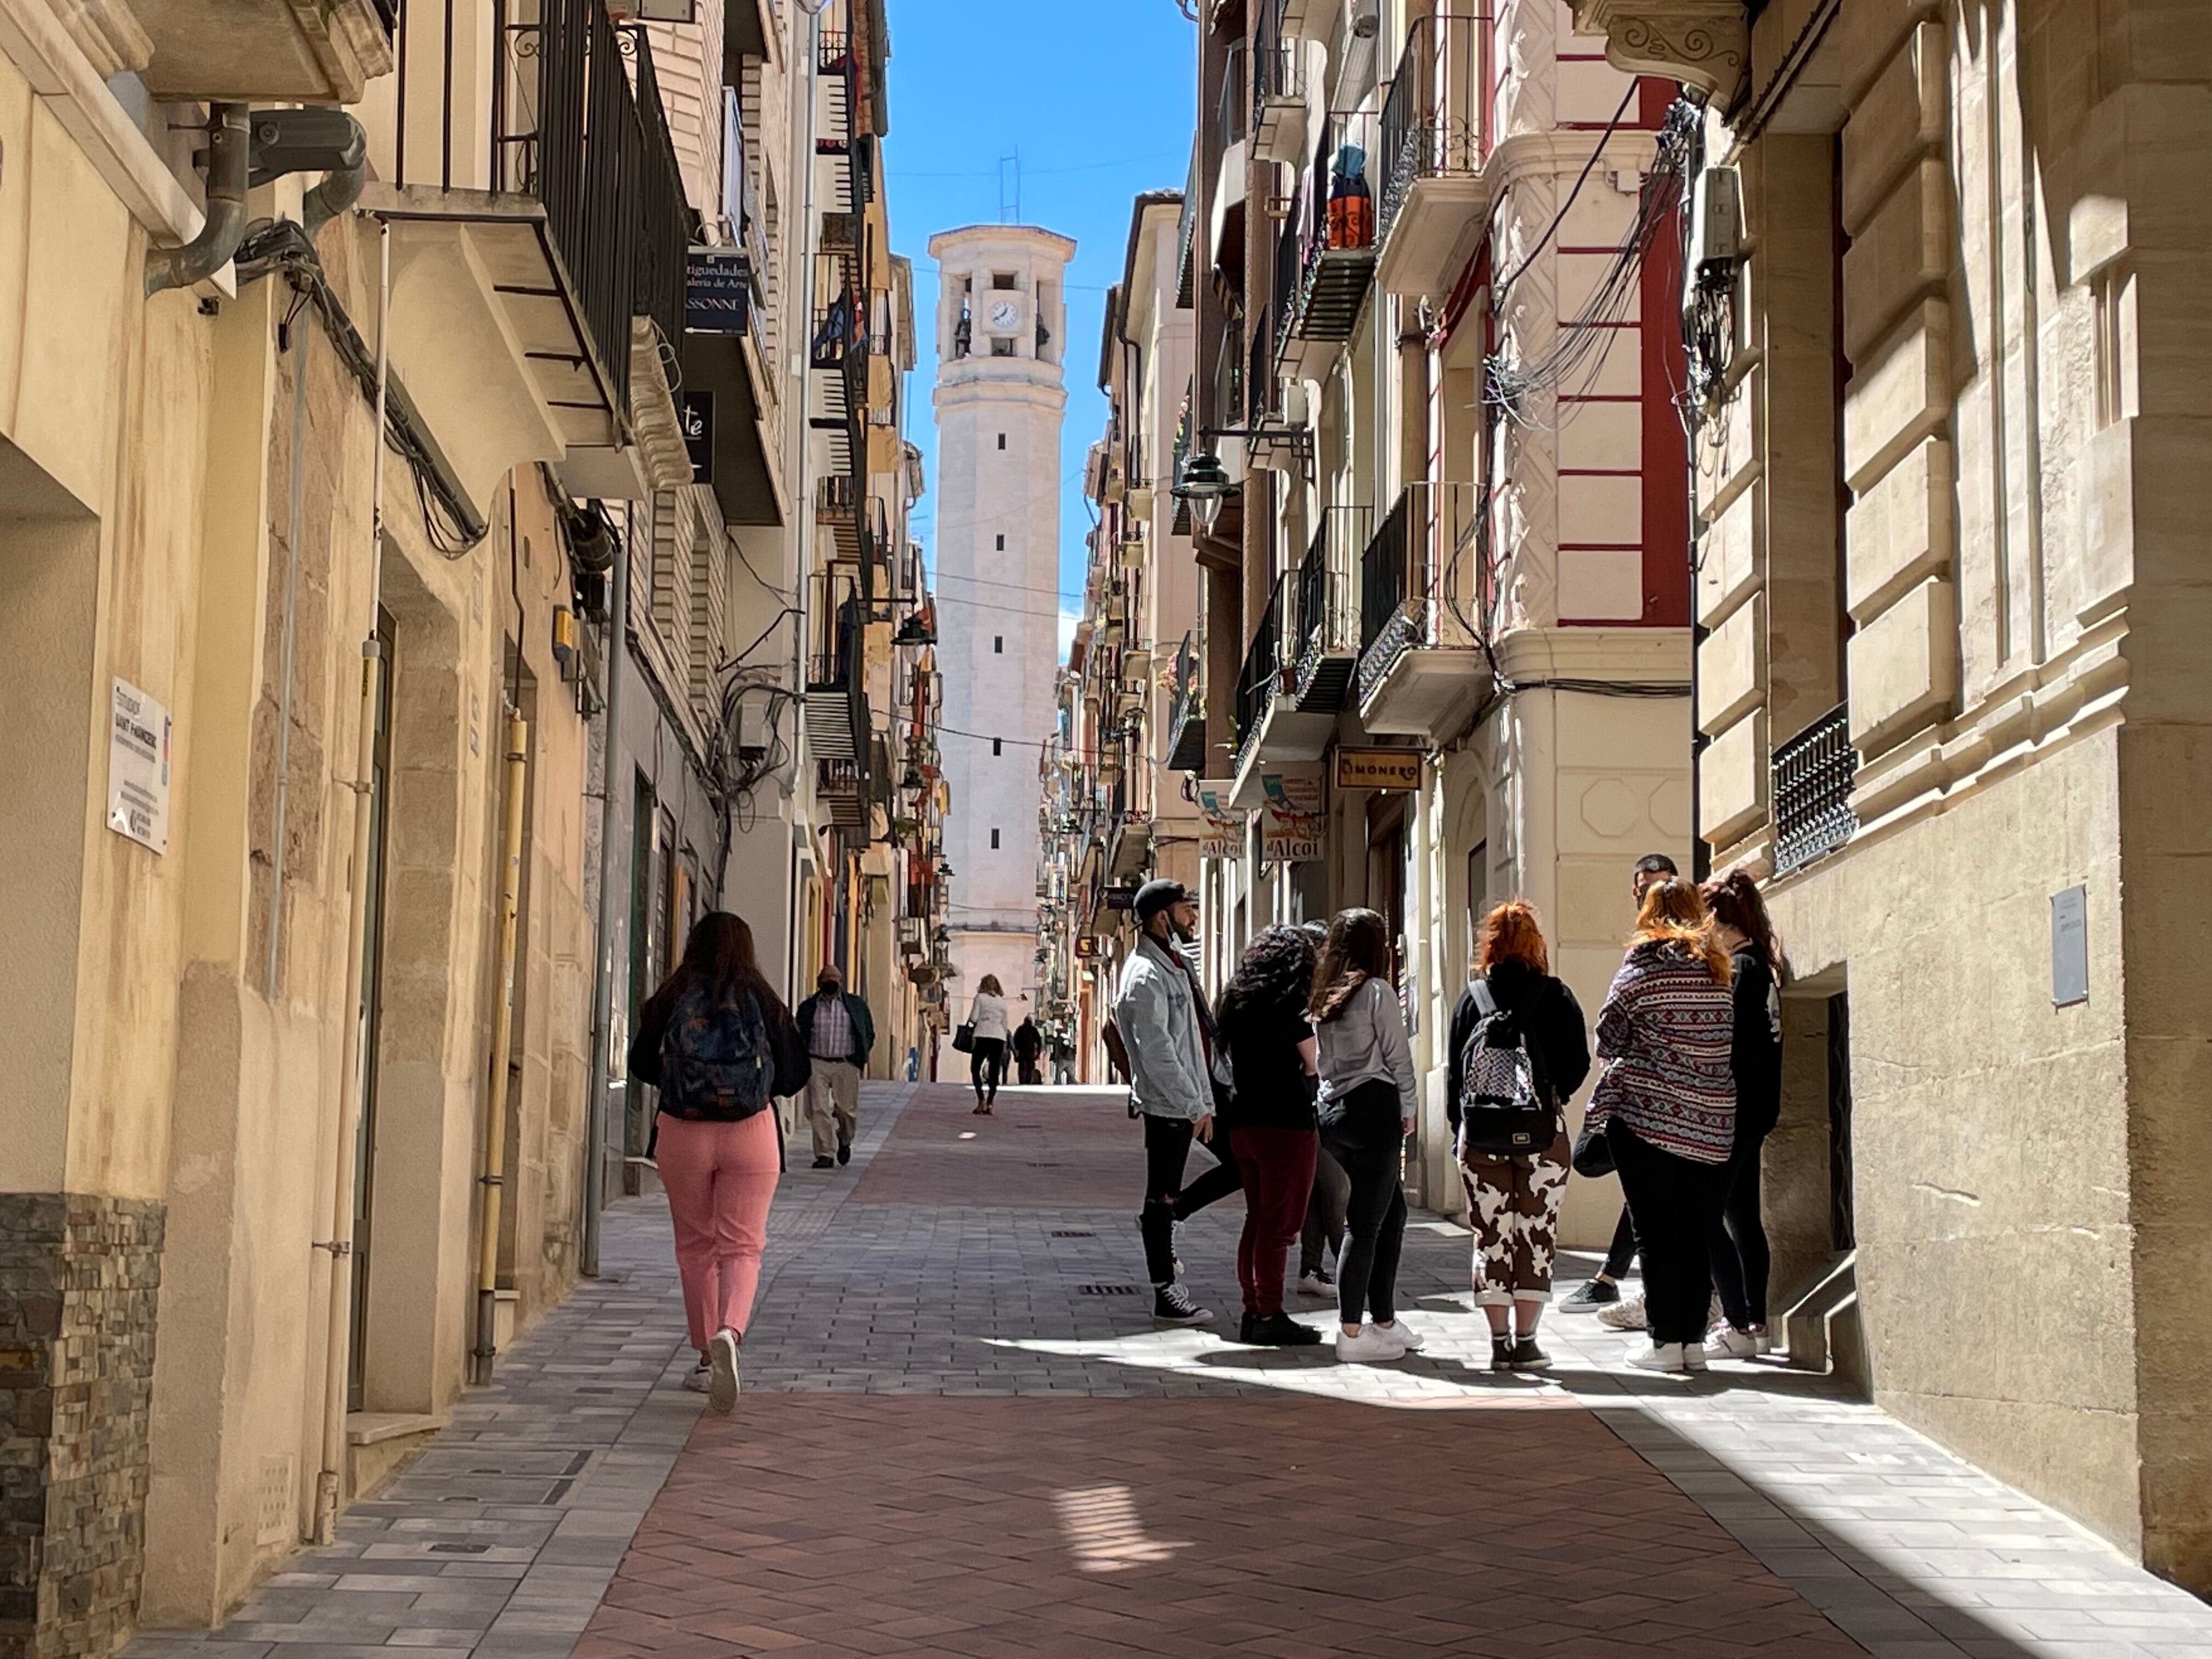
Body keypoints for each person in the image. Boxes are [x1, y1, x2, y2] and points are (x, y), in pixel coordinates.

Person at [627, 912, 807, 1413]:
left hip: (682, 1132)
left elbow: (641, 1064)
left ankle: (706, 1356)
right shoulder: (764, 1001)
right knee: (743, 1246)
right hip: (751, 1134)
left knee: (695, 1246)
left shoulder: (672, 997)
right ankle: (730, 1331)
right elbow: (794, 1074)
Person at [1585, 879, 1737, 1373]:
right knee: (1696, 1231)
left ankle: (1664, 1342)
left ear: (1650, 914)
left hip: (1647, 1118)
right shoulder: (1717, 970)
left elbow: (1610, 1032)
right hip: (1712, 1122)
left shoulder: (1641, 967)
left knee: (1655, 1232)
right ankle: (1693, 1342)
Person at [1447, 901, 1591, 1372]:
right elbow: (1577, 1064)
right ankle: (1526, 1342)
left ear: (1489, 944)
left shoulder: (1472, 999)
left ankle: (1496, 1341)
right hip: (1541, 1134)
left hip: (1482, 1135)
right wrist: (1551, 1095)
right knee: (1536, 1233)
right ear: (1535, 943)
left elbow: (1455, 1075)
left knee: (1491, 1234)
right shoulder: (1556, 996)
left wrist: (1460, 1131)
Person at [1114, 878, 1242, 1326]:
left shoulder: (1175, 960)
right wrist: (1194, 1106)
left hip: (1202, 1091)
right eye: (1185, 906)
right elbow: (1157, 1051)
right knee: (1160, 1197)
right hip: (1173, 1104)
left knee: (1242, 1162)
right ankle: (1166, 1292)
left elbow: (1196, 1032)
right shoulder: (1144, 977)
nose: (1192, 913)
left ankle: (1175, 1218)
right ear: (1161, 916)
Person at [1564, 850, 1677, 1318]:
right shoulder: (1641, 946)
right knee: (1612, 1169)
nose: (1649, 894)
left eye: (1660, 885)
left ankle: (1630, 1289)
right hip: (1639, 1090)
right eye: (1643, 886)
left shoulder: (1680, 947)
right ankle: (1624, 1284)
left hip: (1670, 1093)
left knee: (1647, 1186)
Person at [1311, 909, 1421, 1363]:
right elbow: (1397, 1056)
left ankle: (1386, 1322)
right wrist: (1410, 1109)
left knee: (1391, 1213)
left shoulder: (1324, 998)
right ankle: (1352, 1333)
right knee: (1366, 1222)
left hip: (1335, 1115)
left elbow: (1320, 1063)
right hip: (1374, 1109)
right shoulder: (1377, 993)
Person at [1214, 926, 1325, 1346]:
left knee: (1257, 1220)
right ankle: (1271, 1313)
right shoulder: (1290, 1005)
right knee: (1280, 1227)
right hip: (1286, 1125)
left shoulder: (1236, 1002)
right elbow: (1313, 1063)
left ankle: (1252, 1308)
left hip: (1244, 1123)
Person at [1701, 871, 1784, 1360]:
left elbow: (1723, 1043)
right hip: (1755, 1111)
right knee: (1742, 1218)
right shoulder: (1760, 968)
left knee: (1706, 1217)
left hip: (1733, 1113)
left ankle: (1737, 1324)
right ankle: (1755, 1319)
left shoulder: (1740, 972)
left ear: (1718, 919)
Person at [792, 964, 873, 1170]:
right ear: (820, 983)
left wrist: (859, 1058)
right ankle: (825, 1153)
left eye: (835, 980)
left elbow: (868, 1033)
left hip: (845, 1063)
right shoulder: (809, 1007)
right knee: (818, 1109)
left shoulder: (855, 1005)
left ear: (841, 982)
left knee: (847, 1111)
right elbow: (799, 1032)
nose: (831, 983)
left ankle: (844, 1140)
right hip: (817, 1062)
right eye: (827, 980)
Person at [967, 975, 1011, 1112]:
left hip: (983, 1035)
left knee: (975, 1068)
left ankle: (981, 1100)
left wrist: (973, 1023)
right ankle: (991, 1103)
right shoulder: (1002, 1002)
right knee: (994, 1071)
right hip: (998, 1037)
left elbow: (974, 1017)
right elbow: (1005, 1024)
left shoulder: (980, 998)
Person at [1012, 1015, 1045, 1086]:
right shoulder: (1033, 1029)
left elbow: (1015, 1040)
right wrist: (1038, 1052)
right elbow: (1039, 1041)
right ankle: (1028, 1080)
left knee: (1022, 1067)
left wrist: (1016, 1051)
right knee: (1030, 1067)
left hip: (1022, 1051)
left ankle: (1022, 1081)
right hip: (1030, 1052)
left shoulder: (1020, 1029)